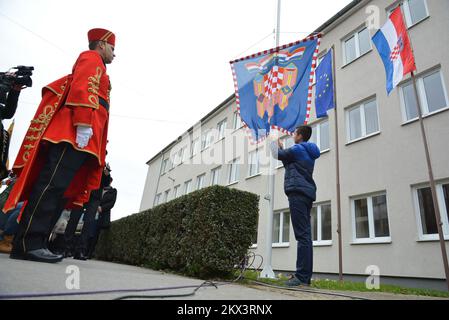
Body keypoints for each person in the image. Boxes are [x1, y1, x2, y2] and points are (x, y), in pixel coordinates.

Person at [3, 28, 116, 263]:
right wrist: (84, 123)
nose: (114, 54)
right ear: (102, 45)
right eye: (112, 49)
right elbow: (84, 87)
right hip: (72, 133)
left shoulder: (100, 65)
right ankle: (27, 243)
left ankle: (38, 241)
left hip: (83, 137)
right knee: (52, 185)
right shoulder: (91, 58)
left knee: (62, 190)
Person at [271, 125, 320, 286]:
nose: (293, 135)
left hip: (298, 194)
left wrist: (273, 141)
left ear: (300, 135)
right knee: (305, 236)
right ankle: (304, 276)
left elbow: (277, 155)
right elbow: (290, 163)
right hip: (306, 194)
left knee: (302, 236)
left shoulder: (298, 149)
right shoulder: (306, 152)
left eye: (295, 133)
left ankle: (302, 277)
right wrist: (282, 149)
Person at [64, 164, 112, 260]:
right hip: (82, 192)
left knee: (89, 223)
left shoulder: (104, 168)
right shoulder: (89, 160)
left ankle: (80, 251)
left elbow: (105, 184)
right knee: (74, 219)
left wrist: (106, 174)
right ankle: (65, 248)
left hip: (94, 198)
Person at [87, 174, 117, 259]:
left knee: (95, 234)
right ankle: (82, 250)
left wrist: (102, 208)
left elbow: (112, 203)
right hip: (92, 211)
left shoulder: (113, 191)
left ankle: (90, 253)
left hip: (102, 214)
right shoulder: (98, 188)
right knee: (88, 231)